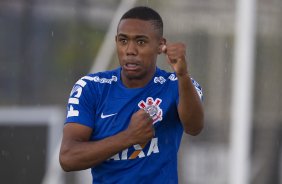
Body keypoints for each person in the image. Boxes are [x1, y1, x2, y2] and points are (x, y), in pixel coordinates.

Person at [59, 6, 204, 184]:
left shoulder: (176, 84)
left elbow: (194, 127)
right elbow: (68, 157)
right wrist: (129, 137)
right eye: (123, 41)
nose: (130, 50)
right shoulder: (91, 88)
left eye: (141, 42)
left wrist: (183, 75)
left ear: (160, 45)